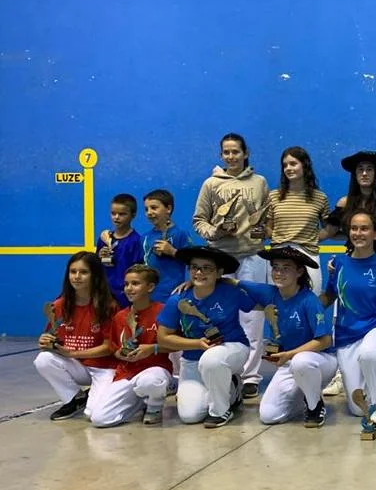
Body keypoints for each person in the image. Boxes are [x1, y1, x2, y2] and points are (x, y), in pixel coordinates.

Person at [192, 133, 271, 399]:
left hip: (253, 257)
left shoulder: (260, 182)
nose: (231, 156)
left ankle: (250, 376)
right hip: (219, 260)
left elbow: (266, 218)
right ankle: (226, 371)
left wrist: (263, 231)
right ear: (220, 155)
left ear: (245, 153)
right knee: (219, 315)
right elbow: (199, 220)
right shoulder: (211, 183)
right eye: (226, 152)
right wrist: (216, 232)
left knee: (253, 318)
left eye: (235, 151)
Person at [234, 246, 336, 428]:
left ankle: (315, 406)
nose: (279, 273)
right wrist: (193, 284)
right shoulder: (270, 293)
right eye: (275, 267)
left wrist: (289, 354)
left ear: (299, 272)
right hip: (289, 364)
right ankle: (304, 395)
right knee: (269, 416)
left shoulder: (309, 301)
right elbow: (234, 283)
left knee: (301, 361)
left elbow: (325, 340)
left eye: (286, 268)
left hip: (319, 362)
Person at [157, 246, 255, 427]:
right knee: (190, 416)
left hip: (231, 348)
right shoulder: (178, 299)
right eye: (194, 267)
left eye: (206, 268)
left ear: (219, 272)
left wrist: (235, 282)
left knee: (212, 360)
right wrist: (196, 343)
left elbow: (263, 301)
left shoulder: (230, 292)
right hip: (193, 360)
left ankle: (221, 411)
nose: (199, 273)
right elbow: (163, 338)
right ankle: (229, 387)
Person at [322, 210, 376, 426]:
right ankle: (374, 385)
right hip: (347, 335)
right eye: (354, 228)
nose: (358, 233)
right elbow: (329, 296)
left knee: (370, 353)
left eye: (364, 228)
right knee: (357, 409)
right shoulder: (338, 264)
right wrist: (303, 305)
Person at [35, 252, 117, 421]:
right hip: (77, 365)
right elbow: (52, 336)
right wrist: (46, 341)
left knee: (94, 415)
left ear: (95, 275)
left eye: (83, 272)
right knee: (43, 359)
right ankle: (75, 398)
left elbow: (109, 347)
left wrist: (71, 353)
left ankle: (115, 395)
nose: (77, 277)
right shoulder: (59, 305)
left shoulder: (108, 306)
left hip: (104, 368)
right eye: (73, 272)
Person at [91, 265, 174, 427]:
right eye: (126, 284)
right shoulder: (120, 317)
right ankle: (141, 401)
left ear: (150, 287)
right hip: (127, 372)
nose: (129, 288)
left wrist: (152, 348)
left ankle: (155, 404)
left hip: (155, 369)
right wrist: (121, 354)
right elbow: (114, 348)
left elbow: (176, 345)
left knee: (150, 382)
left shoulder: (163, 311)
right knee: (100, 419)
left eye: (135, 283)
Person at [264, 146, 332, 295]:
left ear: (304, 165)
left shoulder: (320, 198)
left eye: (293, 164)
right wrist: (274, 235)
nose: (288, 168)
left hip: (308, 255)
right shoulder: (273, 196)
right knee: (278, 303)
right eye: (285, 165)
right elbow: (268, 229)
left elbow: (328, 228)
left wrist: (310, 238)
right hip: (279, 255)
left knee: (311, 299)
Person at [321, 151, 376, 251]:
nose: (364, 174)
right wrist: (305, 240)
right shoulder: (344, 203)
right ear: (355, 174)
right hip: (353, 256)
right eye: (360, 169)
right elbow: (330, 232)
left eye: (369, 169)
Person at [142, 189, 193, 302]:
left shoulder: (180, 234)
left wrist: (173, 252)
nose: (149, 212)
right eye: (146, 209)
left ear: (168, 209)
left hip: (174, 296)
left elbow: (193, 260)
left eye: (154, 208)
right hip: (150, 296)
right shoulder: (145, 238)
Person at [96, 193, 143, 307]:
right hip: (104, 294)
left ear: (133, 215)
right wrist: (99, 257)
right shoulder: (104, 238)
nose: (116, 217)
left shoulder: (137, 241)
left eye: (122, 214)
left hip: (125, 297)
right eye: (113, 213)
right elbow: (96, 268)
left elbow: (138, 272)